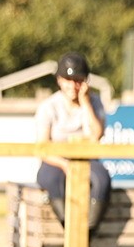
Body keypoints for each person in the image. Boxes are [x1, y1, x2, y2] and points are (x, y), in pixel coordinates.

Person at [34, 52, 112, 230]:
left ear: (85, 82)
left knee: (102, 180)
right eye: (68, 80)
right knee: (53, 180)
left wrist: (85, 103)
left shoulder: (94, 103)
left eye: (78, 80)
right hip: (54, 160)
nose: (73, 86)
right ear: (59, 80)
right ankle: (69, 229)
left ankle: (88, 232)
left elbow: (96, 135)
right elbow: (42, 147)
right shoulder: (49, 107)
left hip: (87, 159)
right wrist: (64, 165)